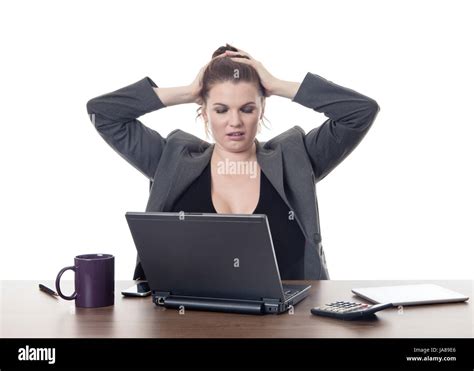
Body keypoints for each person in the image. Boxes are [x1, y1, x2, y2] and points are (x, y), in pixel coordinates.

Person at [86, 43, 380, 281]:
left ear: (262, 109)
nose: (235, 122)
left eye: (248, 109)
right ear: (204, 112)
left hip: (288, 320)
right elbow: (103, 113)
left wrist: (276, 85)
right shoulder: (171, 158)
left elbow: (360, 112)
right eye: (221, 109)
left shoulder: (295, 158)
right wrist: (188, 91)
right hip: (184, 318)